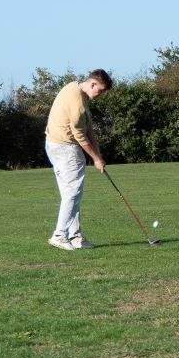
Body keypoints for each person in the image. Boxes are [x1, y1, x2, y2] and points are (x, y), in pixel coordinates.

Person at [44, 69, 113, 250]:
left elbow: (88, 128)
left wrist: (98, 154)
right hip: (66, 149)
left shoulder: (74, 87)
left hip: (54, 145)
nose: (100, 95)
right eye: (100, 91)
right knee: (72, 193)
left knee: (71, 193)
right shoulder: (78, 104)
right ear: (92, 84)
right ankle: (59, 235)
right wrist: (96, 159)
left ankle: (75, 237)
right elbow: (80, 136)